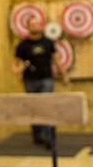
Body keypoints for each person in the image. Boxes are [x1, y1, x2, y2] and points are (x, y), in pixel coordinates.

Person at [12, 15, 69, 148]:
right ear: (28, 27)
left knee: (46, 106)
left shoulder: (48, 42)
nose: (35, 26)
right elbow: (15, 64)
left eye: (37, 24)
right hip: (30, 81)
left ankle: (48, 135)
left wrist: (64, 76)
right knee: (33, 107)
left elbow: (57, 60)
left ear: (40, 26)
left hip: (46, 79)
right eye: (32, 24)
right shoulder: (23, 45)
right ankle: (37, 136)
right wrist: (18, 69)